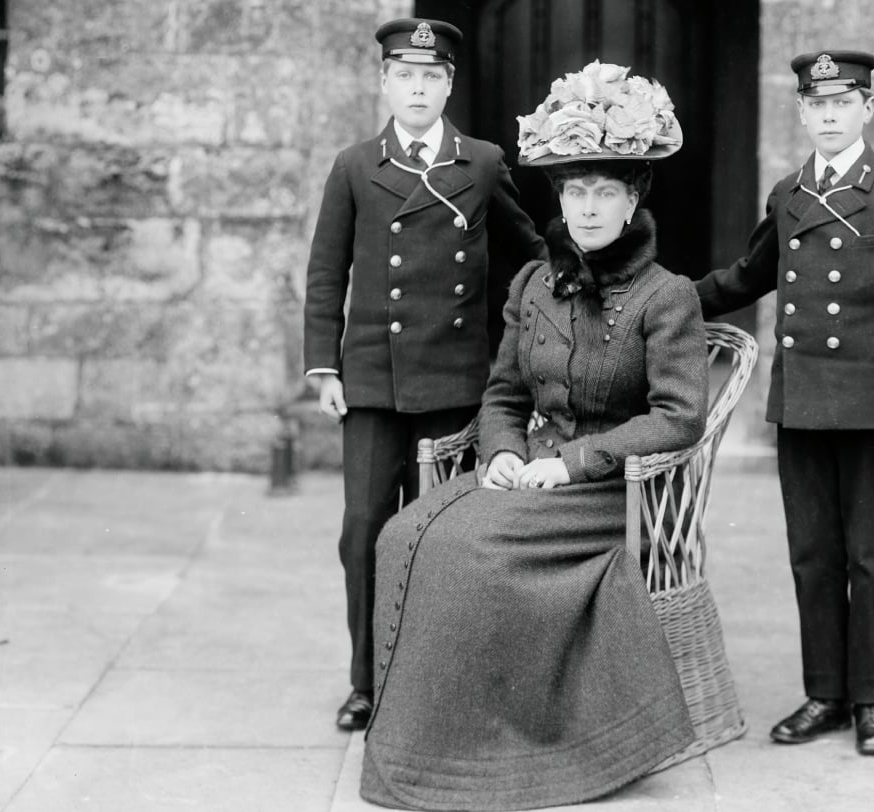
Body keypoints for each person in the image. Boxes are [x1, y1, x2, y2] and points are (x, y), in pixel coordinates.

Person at [359, 62, 706, 810]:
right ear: (558, 198)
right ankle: (425, 745)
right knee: (402, 533)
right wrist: (507, 451)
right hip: (529, 474)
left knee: (467, 552)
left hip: (611, 488)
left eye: (605, 192)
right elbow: (504, 394)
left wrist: (574, 464)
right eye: (575, 192)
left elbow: (680, 416)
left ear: (634, 197)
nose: (587, 208)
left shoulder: (666, 296)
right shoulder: (532, 285)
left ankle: (497, 752)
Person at [696, 50, 874, 756]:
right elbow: (747, 276)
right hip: (804, 406)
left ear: (867, 109)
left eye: (845, 103)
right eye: (818, 105)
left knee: (871, 557)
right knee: (812, 555)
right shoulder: (789, 196)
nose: (831, 115)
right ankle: (825, 695)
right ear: (803, 112)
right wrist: (668, 301)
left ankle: (873, 700)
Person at [302, 18, 545, 732]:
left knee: (443, 533)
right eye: (404, 75)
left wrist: (529, 344)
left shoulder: (480, 162)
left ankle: (437, 676)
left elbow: (526, 256)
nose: (417, 87)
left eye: (430, 76)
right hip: (373, 380)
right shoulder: (355, 164)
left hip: (454, 381)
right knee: (364, 529)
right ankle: (368, 680)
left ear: (448, 85)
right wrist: (324, 367)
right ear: (385, 82)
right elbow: (326, 272)